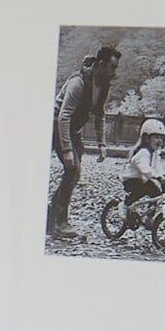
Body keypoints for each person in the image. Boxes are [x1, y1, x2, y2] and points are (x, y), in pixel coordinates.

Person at [49, 43, 120, 240]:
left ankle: (51, 216)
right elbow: (63, 116)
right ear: (100, 64)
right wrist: (67, 150)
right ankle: (59, 222)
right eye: (112, 67)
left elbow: (100, 114)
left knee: (74, 174)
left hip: (75, 130)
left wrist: (102, 144)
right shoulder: (78, 83)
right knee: (72, 169)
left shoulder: (103, 86)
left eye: (116, 68)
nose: (114, 72)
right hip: (57, 126)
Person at [120, 118, 165, 229]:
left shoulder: (155, 153)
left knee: (157, 193)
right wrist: (156, 176)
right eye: (156, 137)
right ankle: (124, 205)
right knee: (141, 190)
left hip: (143, 179)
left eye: (161, 138)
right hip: (131, 179)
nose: (159, 141)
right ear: (147, 138)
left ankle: (149, 217)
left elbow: (158, 168)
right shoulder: (143, 152)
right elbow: (144, 168)